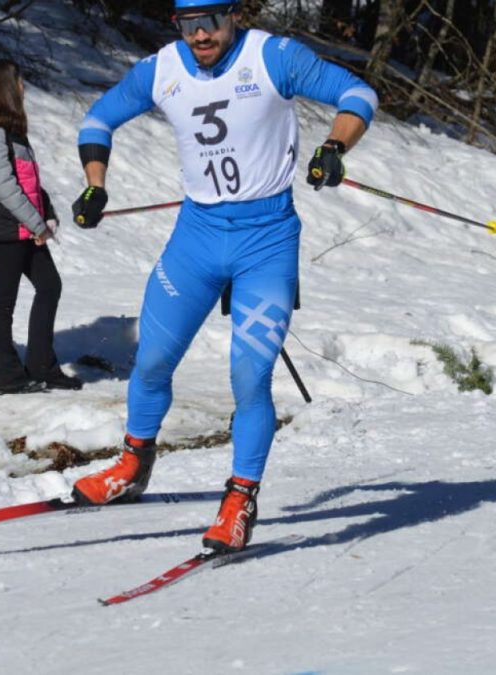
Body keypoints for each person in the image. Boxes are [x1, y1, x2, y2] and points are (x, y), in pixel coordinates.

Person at [70, 0, 378, 552]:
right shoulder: (162, 69)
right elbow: (98, 118)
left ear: (233, 16)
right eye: (189, 24)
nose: (202, 34)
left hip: (266, 242)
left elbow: (359, 93)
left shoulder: (273, 57)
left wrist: (334, 146)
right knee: (152, 361)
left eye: (212, 20)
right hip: (196, 240)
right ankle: (133, 463)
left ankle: (239, 499)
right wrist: (96, 182)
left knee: (248, 376)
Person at [0, 59, 82, 395]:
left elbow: (29, 182)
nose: (22, 88)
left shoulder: (12, 132)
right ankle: (7, 376)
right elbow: (3, 185)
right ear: (3, 87)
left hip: (24, 227)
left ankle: (42, 365)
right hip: (4, 228)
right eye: (18, 82)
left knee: (50, 286)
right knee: (4, 300)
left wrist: (46, 213)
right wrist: (36, 224)